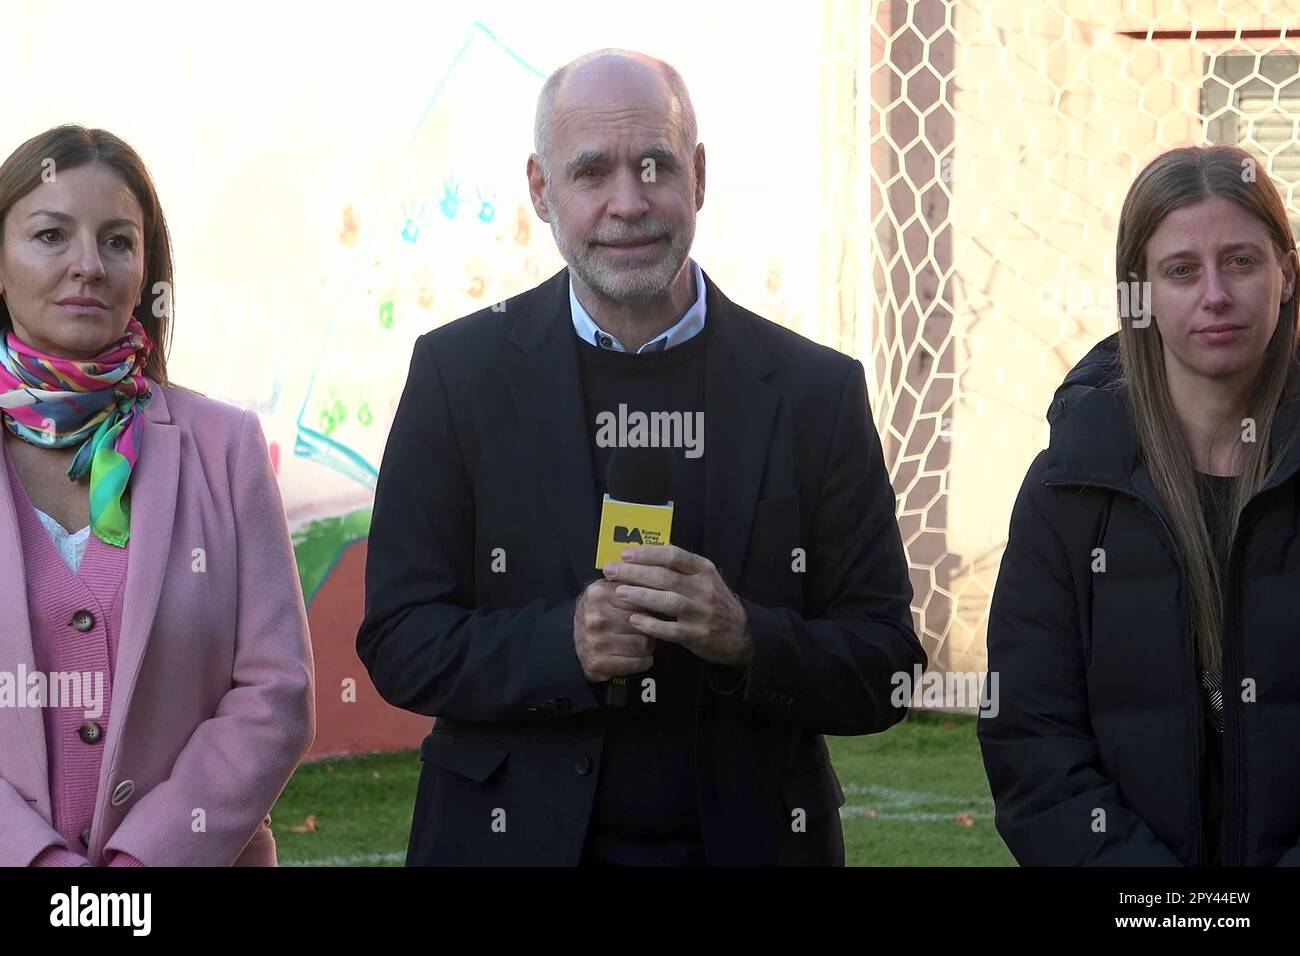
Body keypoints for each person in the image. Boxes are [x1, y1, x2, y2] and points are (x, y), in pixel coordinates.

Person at [357, 49, 924, 866]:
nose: (628, 203)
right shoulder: (458, 375)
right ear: (542, 190)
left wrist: (747, 637)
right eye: (592, 172)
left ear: (696, 177)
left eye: (654, 166)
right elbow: (400, 640)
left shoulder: (814, 393)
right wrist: (563, 643)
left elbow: (888, 665)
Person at [0, 126, 314, 866]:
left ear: (147, 270)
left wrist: (143, 865)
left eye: (118, 241)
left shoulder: (224, 446)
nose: (88, 266)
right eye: (50, 235)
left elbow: (277, 692)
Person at [980, 143, 1300, 866]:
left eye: (1242, 261)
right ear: (1139, 294)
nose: (1215, 294)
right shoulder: (1069, 489)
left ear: (1286, 274)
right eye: (1182, 270)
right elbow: (1032, 741)